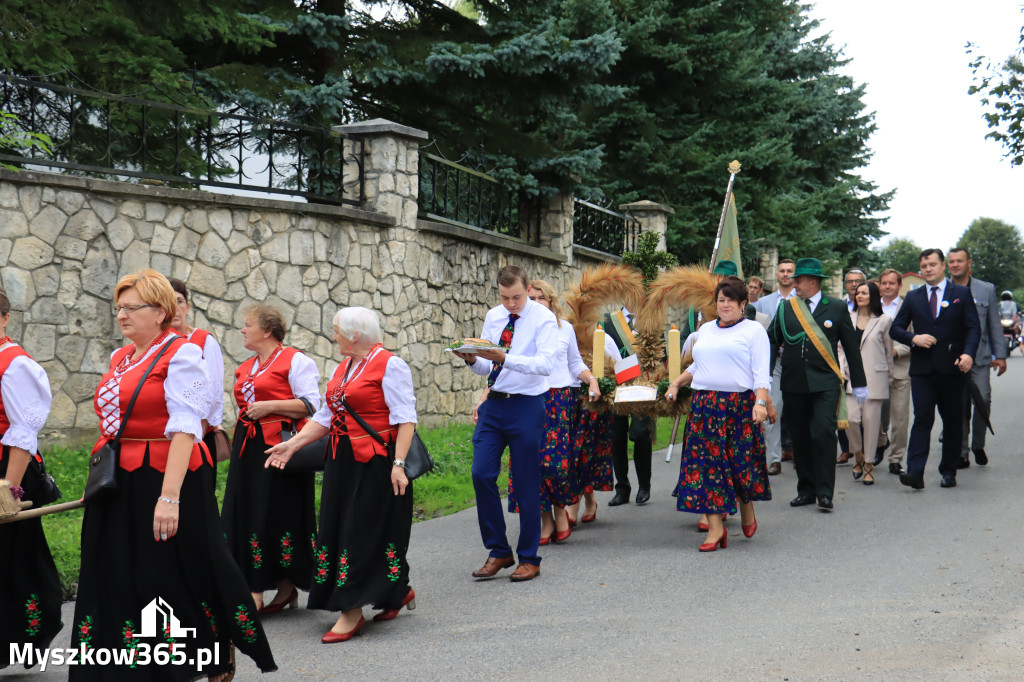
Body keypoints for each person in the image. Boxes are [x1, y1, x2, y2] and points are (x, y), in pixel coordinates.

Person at [71, 269, 276, 681]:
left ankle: (208, 651)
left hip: (167, 475)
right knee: (114, 568)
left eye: (132, 308)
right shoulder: (120, 357)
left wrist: (169, 498)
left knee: (170, 570)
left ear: (162, 311)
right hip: (121, 480)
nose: (122, 316)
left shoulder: (182, 354)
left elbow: (186, 427)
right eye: (119, 308)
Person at [265, 306, 418, 642]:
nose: (332, 335)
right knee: (338, 529)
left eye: (336, 330)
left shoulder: (390, 365)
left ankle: (352, 612)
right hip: (341, 462)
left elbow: (406, 418)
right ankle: (396, 591)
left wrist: (398, 464)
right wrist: (293, 446)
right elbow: (324, 416)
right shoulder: (344, 367)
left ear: (353, 335)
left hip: (375, 463)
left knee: (359, 532)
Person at [454, 265, 557, 582]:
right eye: (504, 298)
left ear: (527, 289)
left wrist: (504, 358)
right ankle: (499, 550)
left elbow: (545, 364)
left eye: (516, 297)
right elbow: (487, 366)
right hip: (495, 404)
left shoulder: (544, 319)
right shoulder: (494, 316)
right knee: (481, 473)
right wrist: (473, 359)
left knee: (525, 482)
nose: (511, 304)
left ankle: (529, 558)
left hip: (527, 405)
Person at [221, 304, 321, 614]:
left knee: (278, 514)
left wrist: (268, 406)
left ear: (267, 331)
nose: (242, 330)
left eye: (247, 324)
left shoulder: (296, 361)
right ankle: (267, 586)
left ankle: (270, 587)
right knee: (245, 512)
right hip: (247, 448)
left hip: (281, 447)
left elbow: (310, 404)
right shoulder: (246, 367)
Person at [666, 276, 772, 551]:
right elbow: (698, 367)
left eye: (731, 301)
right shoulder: (706, 330)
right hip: (704, 406)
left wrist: (760, 403)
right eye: (721, 301)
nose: (725, 306)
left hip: (738, 406)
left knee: (739, 465)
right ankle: (715, 530)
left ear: (743, 304)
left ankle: (746, 507)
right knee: (705, 468)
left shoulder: (754, 331)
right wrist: (677, 383)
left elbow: (761, 373)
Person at [767, 258, 867, 511]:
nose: (794, 284)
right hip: (794, 384)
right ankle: (806, 490)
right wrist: (765, 376)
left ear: (812, 282)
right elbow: (770, 340)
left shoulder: (835, 307)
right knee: (799, 438)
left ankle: (825, 493)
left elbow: (852, 347)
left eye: (798, 280)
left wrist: (860, 383)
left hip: (825, 384)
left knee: (822, 433)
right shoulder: (786, 308)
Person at [506, 280, 600, 544]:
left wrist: (591, 379)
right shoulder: (517, 329)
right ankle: (545, 521)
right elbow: (503, 368)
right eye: (531, 298)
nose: (535, 302)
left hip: (558, 400)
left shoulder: (564, 329)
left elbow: (574, 363)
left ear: (550, 301)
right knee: (530, 464)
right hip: (526, 399)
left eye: (540, 298)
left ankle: (561, 512)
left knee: (555, 465)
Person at [0, 290, 62, 670]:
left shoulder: (14, 364)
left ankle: (28, 637)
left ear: (4, 318)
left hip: (9, 472)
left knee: (18, 561)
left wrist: (10, 489)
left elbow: (24, 431)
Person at [890, 248, 981, 490]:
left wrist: (968, 354)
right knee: (922, 419)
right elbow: (896, 329)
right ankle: (915, 472)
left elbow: (973, 328)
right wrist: (914, 338)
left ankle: (948, 470)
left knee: (952, 420)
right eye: (924, 265)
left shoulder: (960, 293)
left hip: (952, 369)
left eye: (932, 264)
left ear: (942, 266)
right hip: (922, 370)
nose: (927, 269)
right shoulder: (914, 297)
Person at [948, 247, 1007, 468]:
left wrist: (1000, 355)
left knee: (983, 400)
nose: (955, 265)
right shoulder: (943, 289)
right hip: (953, 358)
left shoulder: (986, 289)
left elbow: (994, 323)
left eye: (959, 261)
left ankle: (978, 445)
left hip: (980, 356)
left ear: (969, 263)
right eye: (951, 261)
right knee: (959, 404)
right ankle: (962, 452)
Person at [839, 282, 893, 486]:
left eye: (863, 292)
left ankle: (869, 464)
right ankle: (859, 455)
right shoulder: (847, 318)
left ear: (873, 296)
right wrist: (842, 367)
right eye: (857, 292)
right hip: (851, 378)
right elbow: (840, 347)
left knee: (871, 424)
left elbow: (889, 352)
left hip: (875, 379)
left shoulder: (884, 320)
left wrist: (889, 379)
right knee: (851, 420)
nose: (859, 295)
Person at [168, 278, 227, 459]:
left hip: (197, 432)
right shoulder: (154, 342)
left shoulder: (204, 341)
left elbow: (213, 391)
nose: (175, 308)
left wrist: (196, 437)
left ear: (188, 306)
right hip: (161, 431)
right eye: (168, 302)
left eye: (179, 301)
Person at [568, 329, 619, 525]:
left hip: (593, 404)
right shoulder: (566, 334)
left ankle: (573, 506)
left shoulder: (604, 338)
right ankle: (589, 501)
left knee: (583, 452)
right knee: (575, 453)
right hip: (567, 401)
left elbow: (618, 367)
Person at [605, 305, 653, 507]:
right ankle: (622, 488)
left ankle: (644, 486)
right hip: (616, 386)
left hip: (643, 385)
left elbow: (661, 352)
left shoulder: (651, 317)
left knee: (642, 433)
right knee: (617, 435)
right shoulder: (608, 321)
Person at [756, 258, 797, 475]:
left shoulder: (802, 300)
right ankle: (774, 458)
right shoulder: (764, 303)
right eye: (782, 270)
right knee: (773, 409)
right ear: (777, 273)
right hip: (775, 363)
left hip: (799, 362)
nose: (785, 274)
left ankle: (800, 454)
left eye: (790, 271)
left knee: (799, 411)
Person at [879, 269, 912, 474]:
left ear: (900, 285)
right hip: (875, 370)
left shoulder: (909, 307)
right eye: (884, 283)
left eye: (892, 283)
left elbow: (915, 337)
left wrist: (896, 351)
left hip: (900, 368)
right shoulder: (872, 307)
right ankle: (881, 441)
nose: (888, 287)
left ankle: (896, 458)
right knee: (872, 416)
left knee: (899, 418)